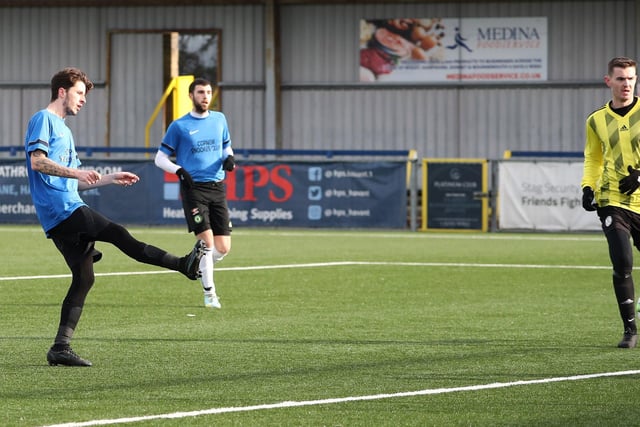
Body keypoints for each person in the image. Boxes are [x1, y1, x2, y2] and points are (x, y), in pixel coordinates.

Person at [25, 67, 206, 367]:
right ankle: (183, 265)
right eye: (79, 93)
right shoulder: (43, 120)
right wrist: (76, 171)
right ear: (62, 91)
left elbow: (78, 182)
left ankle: (60, 347)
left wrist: (109, 178)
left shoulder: (65, 131)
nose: (83, 100)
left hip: (62, 212)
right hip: (62, 208)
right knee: (118, 233)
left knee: (84, 278)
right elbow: (37, 162)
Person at [154, 77, 235, 310]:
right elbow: (159, 158)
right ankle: (210, 294)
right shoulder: (179, 126)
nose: (206, 96)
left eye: (208, 92)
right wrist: (179, 170)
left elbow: (226, 145)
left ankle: (195, 264)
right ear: (191, 96)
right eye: (201, 92)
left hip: (217, 188)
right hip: (194, 190)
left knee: (223, 248)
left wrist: (229, 157)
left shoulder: (220, 119)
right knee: (207, 243)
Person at [581, 56, 640, 349]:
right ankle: (630, 331)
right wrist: (588, 187)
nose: (626, 84)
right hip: (612, 199)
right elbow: (593, 157)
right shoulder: (596, 120)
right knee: (623, 262)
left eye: (631, 78)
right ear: (609, 82)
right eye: (620, 79)